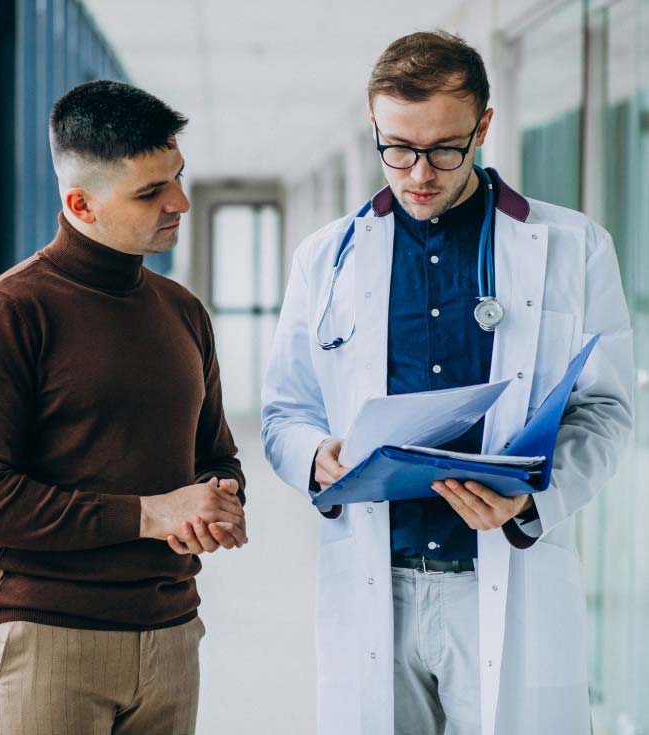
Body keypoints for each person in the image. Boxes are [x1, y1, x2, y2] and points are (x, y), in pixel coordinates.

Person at [261, 31, 633, 735]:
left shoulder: (572, 247)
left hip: (503, 567)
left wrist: (530, 498)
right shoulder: (325, 259)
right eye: (397, 147)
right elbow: (286, 409)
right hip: (377, 581)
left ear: (483, 126)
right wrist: (316, 455)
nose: (418, 173)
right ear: (375, 128)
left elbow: (607, 409)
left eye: (443, 149)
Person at [0, 80, 247, 735]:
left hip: (171, 633)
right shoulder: (8, 313)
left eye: (177, 178)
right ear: (79, 202)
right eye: (149, 192)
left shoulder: (182, 311)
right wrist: (153, 513)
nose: (180, 203)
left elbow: (215, 454)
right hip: (51, 640)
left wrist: (216, 498)